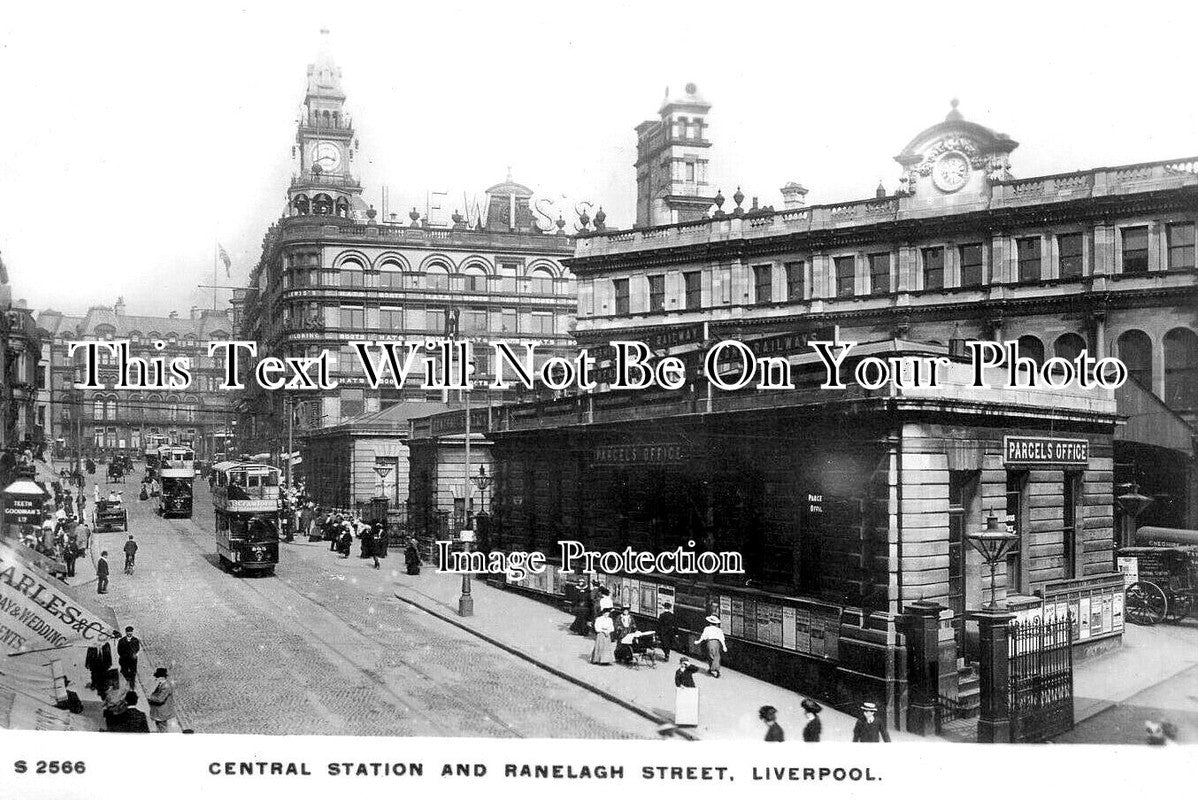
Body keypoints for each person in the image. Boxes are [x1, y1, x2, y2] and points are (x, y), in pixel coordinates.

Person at [147, 667, 178, 732]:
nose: (156, 679)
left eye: (157, 677)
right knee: (160, 727)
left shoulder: (166, 686)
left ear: (161, 677)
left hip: (162, 712)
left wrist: (150, 697)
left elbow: (160, 699)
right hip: (159, 712)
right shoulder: (162, 684)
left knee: (162, 729)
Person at [674, 658, 700, 726]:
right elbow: (677, 681)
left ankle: (692, 721)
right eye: (683, 663)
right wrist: (680, 685)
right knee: (683, 705)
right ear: (680, 663)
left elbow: (696, 669)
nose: (684, 665)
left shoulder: (689, 670)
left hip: (691, 688)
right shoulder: (678, 671)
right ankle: (683, 720)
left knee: (691, 705)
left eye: (685, 664)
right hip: (683, 689)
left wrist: (689, 665)